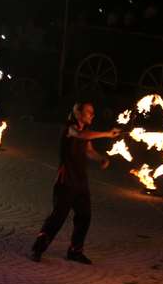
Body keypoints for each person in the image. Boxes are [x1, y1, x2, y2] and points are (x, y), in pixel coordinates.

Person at [30, 102, 121, 264]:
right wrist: (107, 134)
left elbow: (89, 150)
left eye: (93, 112)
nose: (92, 115)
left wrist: (101, 158)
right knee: (58, 217)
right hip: (65, 181)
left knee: (84, 216)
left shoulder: (85, 130)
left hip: (80, 181)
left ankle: (75, 251)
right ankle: (38, 248)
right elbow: (81, 136)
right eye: (89, 112)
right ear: (78, 113)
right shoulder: (70, 128)